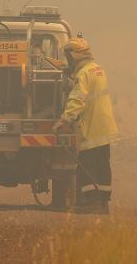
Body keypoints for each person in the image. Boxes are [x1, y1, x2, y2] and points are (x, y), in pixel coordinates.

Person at [53, 35, 118, 213]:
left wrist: (64, 120)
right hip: (104, 125)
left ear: (75, 56)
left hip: (91, 126)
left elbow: (77, 100)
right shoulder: (97, 69)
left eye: (68, 57)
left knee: (85, 166)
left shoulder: (82, 75)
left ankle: (89, 202)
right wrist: (70, 72)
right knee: (103, 164)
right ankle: (103, 203)